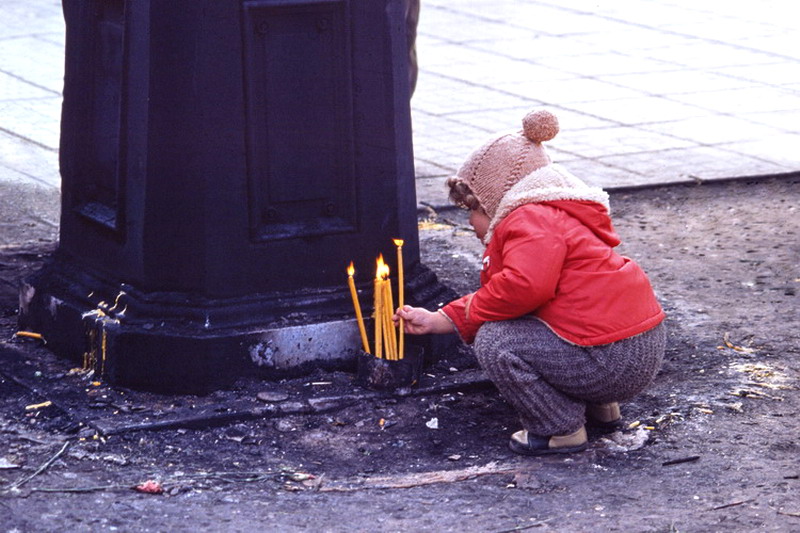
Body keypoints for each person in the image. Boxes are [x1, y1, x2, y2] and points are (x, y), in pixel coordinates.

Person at [394, 109, 666, 456]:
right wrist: (443, 317)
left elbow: (521, 288)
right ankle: (600, 407)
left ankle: (559, 428)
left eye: (471, 211)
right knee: (542, 321)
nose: (470, 222)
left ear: (493, 201)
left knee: (497, 340)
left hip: (608, 360)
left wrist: (452, 318)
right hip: (636, 348)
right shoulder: (560, 215)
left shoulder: (528, 219)